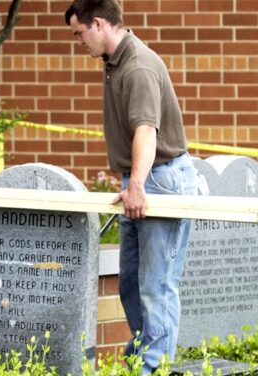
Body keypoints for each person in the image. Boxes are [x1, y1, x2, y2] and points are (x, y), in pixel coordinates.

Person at [65, 0, 198, 373]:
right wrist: (127, 173)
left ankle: (154, 368)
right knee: (131, 284)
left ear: (100, 23)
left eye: (79, 33)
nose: (78, 42)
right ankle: (144, 358)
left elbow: (146, 129)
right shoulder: (114, 62)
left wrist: (137, 182)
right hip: (141, 177)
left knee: (157, 286)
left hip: (160, 180)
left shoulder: (137, 66)